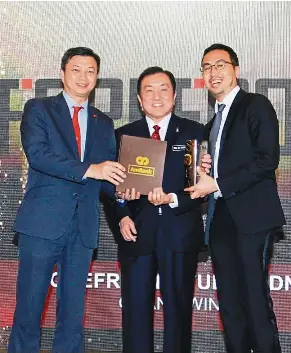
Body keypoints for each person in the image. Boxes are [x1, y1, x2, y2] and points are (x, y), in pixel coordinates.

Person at [8, 47, 127, 353]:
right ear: (62, 74)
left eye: (90, 71)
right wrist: (92, 169)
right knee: (29, 310)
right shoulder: (39, 109)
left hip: (83, 228)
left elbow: (105, 177)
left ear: (97, 78)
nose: (83, 76)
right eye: (76, 69)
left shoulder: (104, 123)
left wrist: (124, 193)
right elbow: (39, 156)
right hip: (42, 224)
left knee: (73, 314)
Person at [185, 43, 286, 353]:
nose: (213, 72)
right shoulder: (212, 123)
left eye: (220, 65)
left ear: (236, 70)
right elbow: (218, 165)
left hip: (252, 218)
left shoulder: (256, 105)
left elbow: (267, 160)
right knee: (229, 304)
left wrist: (216, 183)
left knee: (254, 299)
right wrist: (206, 166)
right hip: (220, 221)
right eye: (206, 67)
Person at [113, 66, 210, 353]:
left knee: (179, 313)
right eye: (149, 90)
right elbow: (110, 188)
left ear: (175, 95)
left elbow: (200, 186)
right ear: (139, 99)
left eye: (163, 89)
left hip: (179, 233)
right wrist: (122, 211)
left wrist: (172, 198)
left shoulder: (194, 132)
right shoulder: (123, 136)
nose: (157, 96)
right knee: (135, 312)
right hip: (137, 235)